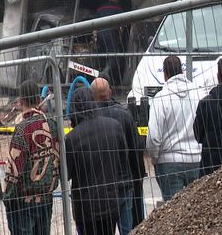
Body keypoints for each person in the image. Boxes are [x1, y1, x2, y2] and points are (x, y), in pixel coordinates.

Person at [4, 81, 60, 235]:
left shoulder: (22, 129)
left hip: (23, 201)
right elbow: (59, 158)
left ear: (21, 100)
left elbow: (14, 169)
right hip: (46, 198)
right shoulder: (52, 124)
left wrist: (7, 198)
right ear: (38, 97)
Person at [66, 98, 128, 235]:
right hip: (110, 201)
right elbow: (123, 157)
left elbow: (66, 174)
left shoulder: (72, 138)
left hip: (85, 207)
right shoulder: (114, 126)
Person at [92, 77, 146, 233]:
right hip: (123, 182)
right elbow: (135, 149)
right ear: (110, 92)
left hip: (100, 188)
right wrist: (138, 176)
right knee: (127, 228)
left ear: (92, 96)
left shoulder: (90, 118)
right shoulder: (124, 115)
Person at [147, 56, 202, 201]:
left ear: (165, 73)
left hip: (168, 162)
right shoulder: (198, 94)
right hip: (196, 158)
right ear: (181, 71)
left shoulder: (160, 98)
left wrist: (154, 157)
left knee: (173, 214)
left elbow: (153, 136)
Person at [94, 0, 127, 85]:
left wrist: (95, 38)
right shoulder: (118, 8)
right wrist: (120, 38)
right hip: (112, 35)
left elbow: (94, 26)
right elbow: (121, 27)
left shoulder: (100, 8)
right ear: (116, 0)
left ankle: (102, 78)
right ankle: (106, 75)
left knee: (102, 57)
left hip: (101, 36)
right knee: (113, 56)